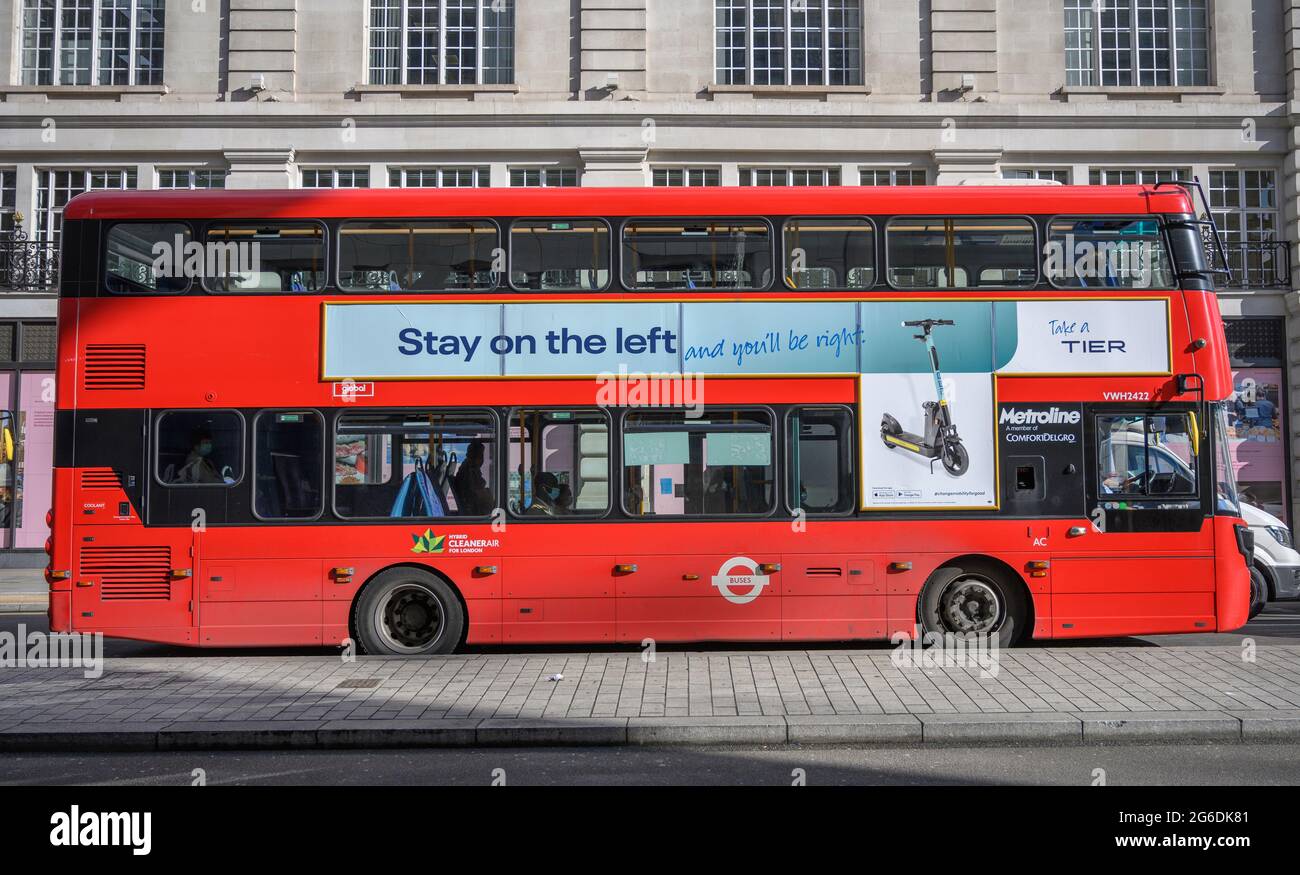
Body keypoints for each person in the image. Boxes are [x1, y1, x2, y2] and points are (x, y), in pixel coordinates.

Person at [452, 440, 494, 516]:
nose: (482, 460)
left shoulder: (470, 466)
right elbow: (475, 492)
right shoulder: (469, 470)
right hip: (474, 510)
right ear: (476, 456)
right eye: (481, 456)